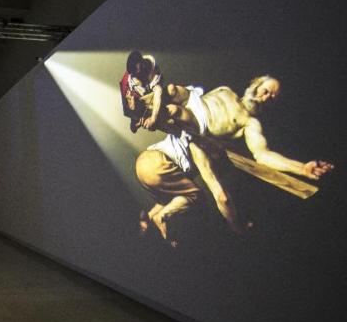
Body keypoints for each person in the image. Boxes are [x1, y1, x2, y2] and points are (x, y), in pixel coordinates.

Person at [142, 76, 334, 234]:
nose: (266, 97)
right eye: (266, 90)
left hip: (184, 139)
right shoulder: (224, 90)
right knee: (173, 92)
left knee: (177, 113)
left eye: (272, 98)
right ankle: (140, 103)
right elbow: (185, 97)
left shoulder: (250, 123)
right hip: (168, 141)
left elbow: (263, 155)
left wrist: (302, 168)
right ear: (255, 84)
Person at [120, 51, 165, 133]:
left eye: (140, 70)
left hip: (154, 100)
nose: (140, 74)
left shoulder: (152, 69)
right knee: (135, 124)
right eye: (137, 73)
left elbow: (158, 90)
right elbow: (129, 115)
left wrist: (153, 119)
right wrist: (133, 109)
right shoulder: (126, 84)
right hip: (139, 106)